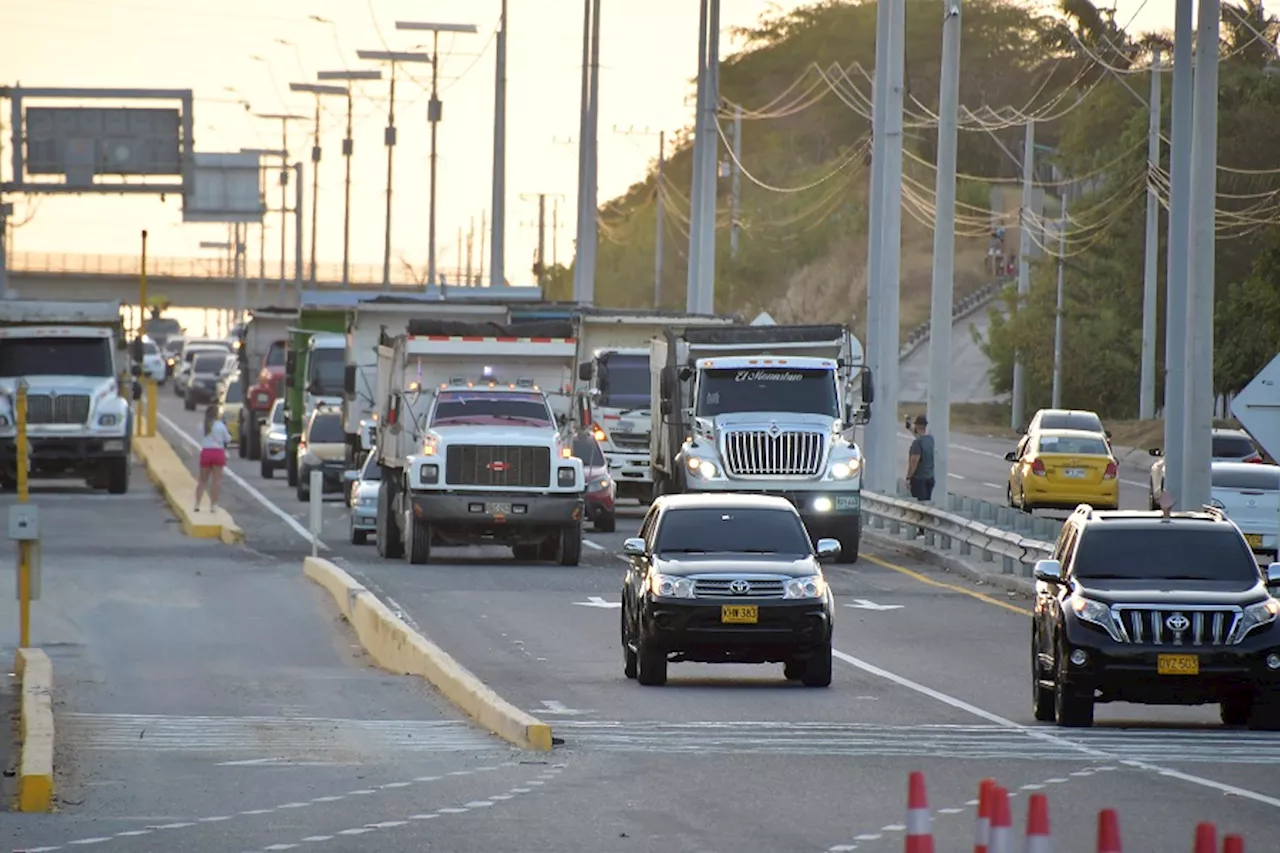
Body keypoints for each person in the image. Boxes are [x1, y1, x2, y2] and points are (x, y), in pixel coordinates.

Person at [195, 404, 232, 513]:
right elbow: (228, 439)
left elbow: (200, 434)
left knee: (202, 480)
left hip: (206, 452)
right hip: (218, 453)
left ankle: (197, 503)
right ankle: (213, 505)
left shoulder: (203, 425)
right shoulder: (220, 425)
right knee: (216, 481)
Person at [906, 413, 936, 502]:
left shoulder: (917, 443)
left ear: (917, 426)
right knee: (927, 503)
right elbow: (920, 436)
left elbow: (914, 461)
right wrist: (910, 428)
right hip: (930, 478)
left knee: (919, 504)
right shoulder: (930, 439)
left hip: (919, 480)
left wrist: (908, 477)